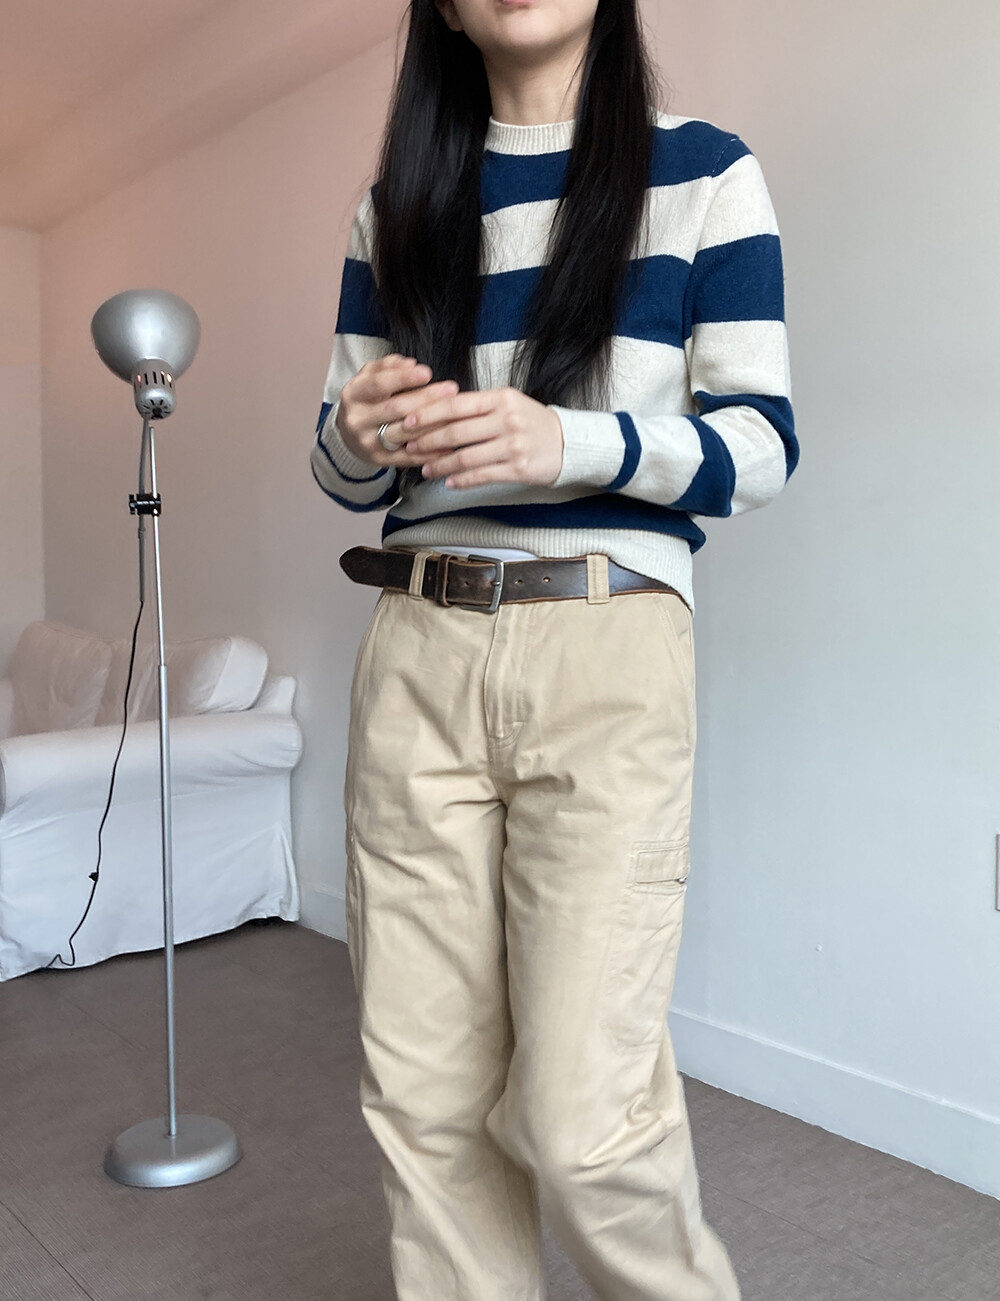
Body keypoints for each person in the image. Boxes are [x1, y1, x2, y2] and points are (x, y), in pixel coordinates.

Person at [310, 0, 797, 1293]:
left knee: (587, 1116)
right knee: (424, 1102)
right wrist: (359, 429)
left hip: (606, 644)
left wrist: (565, 441)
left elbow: (762, 445)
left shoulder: (706, 175)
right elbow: (339, 466)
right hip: (415, 647)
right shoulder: (398, 207)